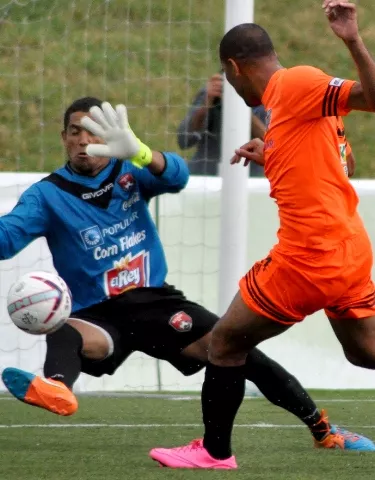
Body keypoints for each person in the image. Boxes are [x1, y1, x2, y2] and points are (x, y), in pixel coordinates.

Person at [1, 98, 372, 456]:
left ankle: (324, 431)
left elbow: (178, 175)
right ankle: (58, 389)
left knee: (241, 354)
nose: (83, 140)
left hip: (155, 302)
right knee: (61, 328)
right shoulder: (47, 194)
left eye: (92, 132)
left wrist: (141, 152)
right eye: (74, 132)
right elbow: (8, 237)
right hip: (97, 314)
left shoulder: (129, 169)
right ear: (64, 138)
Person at [149, 1, 375, 469]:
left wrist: (353, 40)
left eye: (227, 76)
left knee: (225, 343)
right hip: (348, 249)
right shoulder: (294, 109)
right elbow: (342, 165)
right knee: (364, 352)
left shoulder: (294, 83)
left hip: (310, 255)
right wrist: (273, 152)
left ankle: (214, 452)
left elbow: (371, 99)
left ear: (233, 68)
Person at [177, 71, 266, 177]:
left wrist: (240, 107)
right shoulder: (214, 91)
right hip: (206, 177)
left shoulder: (269, 95)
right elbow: (183, 140)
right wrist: (206, 103)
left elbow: (274, 145)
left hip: (251, 180)